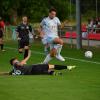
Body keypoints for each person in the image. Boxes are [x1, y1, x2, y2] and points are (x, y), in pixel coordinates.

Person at [0, 50, 76, 75]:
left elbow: (7, 73)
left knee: (45, 70)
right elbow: (22, 63)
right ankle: (67, 67)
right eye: (16, 60)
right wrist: (28, 55)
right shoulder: (16, 64)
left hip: (32, 72)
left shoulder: (13, 70)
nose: (17, 61)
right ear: (13, 62)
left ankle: (55, 73)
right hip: (33, 69)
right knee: (51, 66)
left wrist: (1, 73)